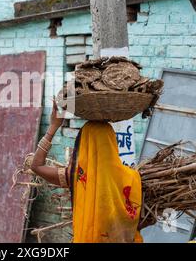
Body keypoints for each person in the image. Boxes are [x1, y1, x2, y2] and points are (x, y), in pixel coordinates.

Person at [30, 99, 152, 243]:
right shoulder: (133, 179)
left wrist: (53, 127)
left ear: (83, 145)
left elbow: (36, 166)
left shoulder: (77, 177)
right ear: (113, 144)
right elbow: (141, 222)